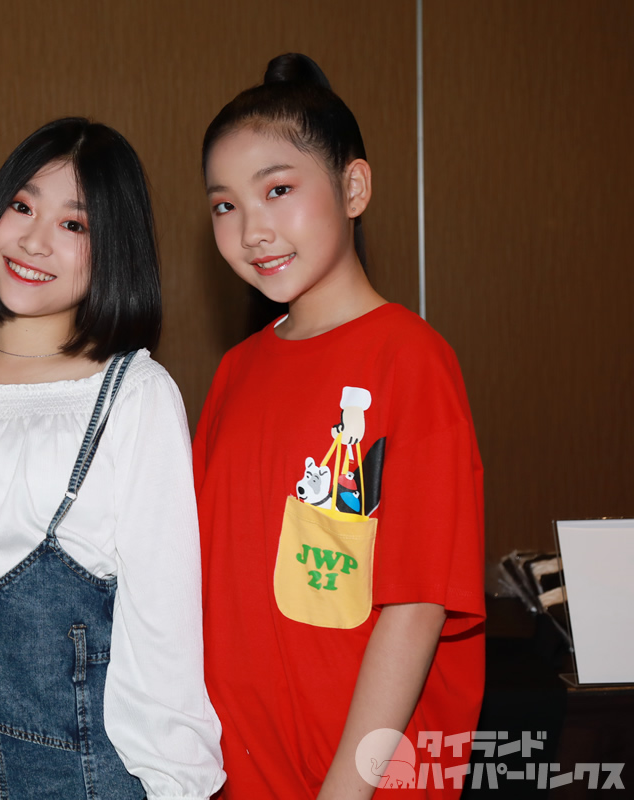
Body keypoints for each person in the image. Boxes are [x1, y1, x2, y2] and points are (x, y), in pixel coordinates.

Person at [0, 118, 224, 799]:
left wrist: (179, 786)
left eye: (73, 224)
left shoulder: (136, 394)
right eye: (22, 206)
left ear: (112, 248)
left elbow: (164, 630)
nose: (34, 241)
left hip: (96, 782)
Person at [194, 53, 485, 798]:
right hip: (235, 775)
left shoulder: (409, 360)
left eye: (278, 190)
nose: (252, 230)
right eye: (225, 206)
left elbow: (416, 607)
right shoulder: (235, 372)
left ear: (353, 188)